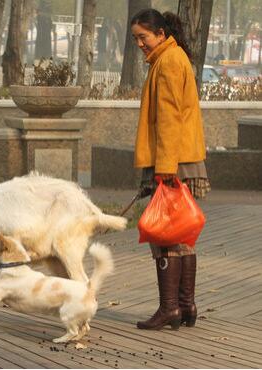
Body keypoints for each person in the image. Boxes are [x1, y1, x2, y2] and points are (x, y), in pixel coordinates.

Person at [130, 9, 211, 330]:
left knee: (164, 235)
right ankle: (185, 305)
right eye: (136, 38)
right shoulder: (173, 59)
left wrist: (164, 168)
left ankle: (170, 309)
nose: (139, 44)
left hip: (172, 161)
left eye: (143, 37)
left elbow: (168, 119)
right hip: (184, 159)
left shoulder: (168, 63)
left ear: (161, 34)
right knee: (181, 236)